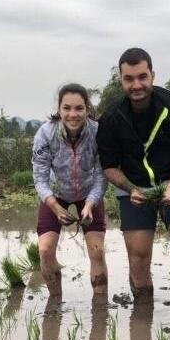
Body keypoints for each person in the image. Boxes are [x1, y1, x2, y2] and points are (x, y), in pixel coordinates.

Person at [96, 47, 170, 307]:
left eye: (142, 77)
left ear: (152, 75)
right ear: (121, 80)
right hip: (134, 188)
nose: (137, 85)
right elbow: (109, 166)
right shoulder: (111, 118)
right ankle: (142, 322)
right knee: (138, 256)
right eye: (129, 79)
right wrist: (131, 188)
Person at [32, 83, 107, 296]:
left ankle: (100, 308)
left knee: (97, 251)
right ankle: (55, 301)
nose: (73, 114)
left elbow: (102, 175)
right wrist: (54, 206)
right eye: (67, 108)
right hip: (56, 194)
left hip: (88, 192)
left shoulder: (98, 132)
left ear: (87, 109)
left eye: (79, 108)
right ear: (59, 109)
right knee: (45, 250)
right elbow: (40, 179)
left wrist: (91, 203)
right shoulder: (45, 134)